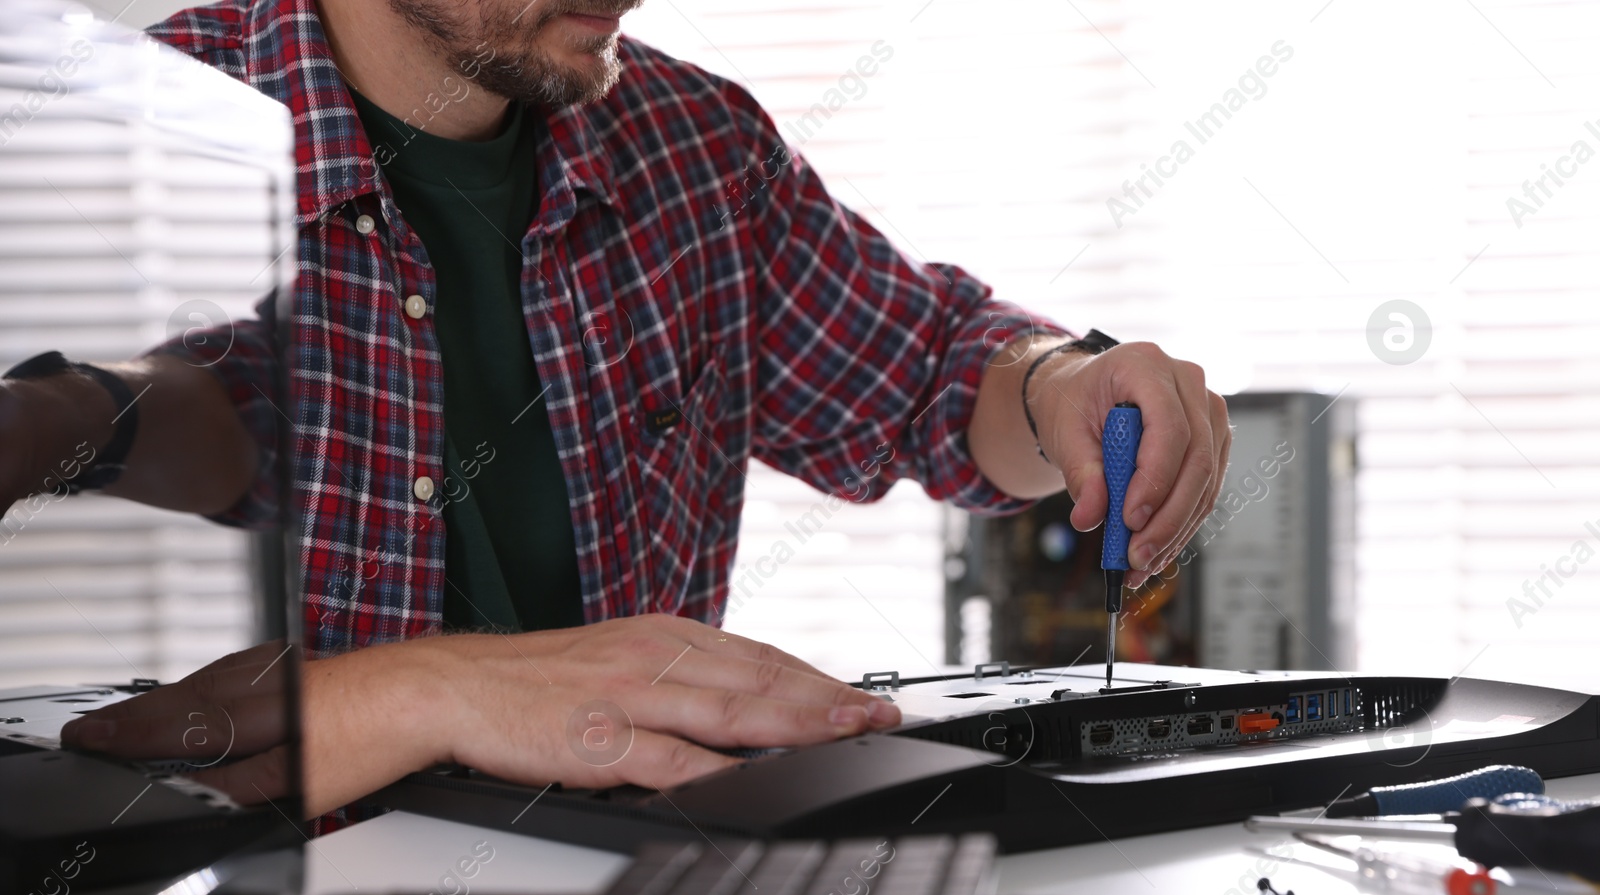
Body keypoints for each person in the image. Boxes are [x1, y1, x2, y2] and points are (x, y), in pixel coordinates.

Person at [5, 0, 1230, 814]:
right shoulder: (108, 135)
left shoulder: (691, 146)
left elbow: (936, 382)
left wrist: (1065, 380)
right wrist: (404, 694)